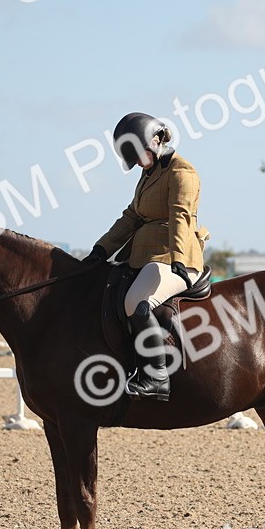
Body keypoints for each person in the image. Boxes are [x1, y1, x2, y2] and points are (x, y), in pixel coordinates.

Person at [83, 112, 210, 401]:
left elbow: (180, 216)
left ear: (155, 141)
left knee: (137, 303)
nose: (138, 162)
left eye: (140, 154)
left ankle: (156, 376)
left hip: (177, 258)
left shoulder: (181, 172)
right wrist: (101, 249)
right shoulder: (149, 174)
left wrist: (178, 259)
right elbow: (132, 216)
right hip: (147, 257)